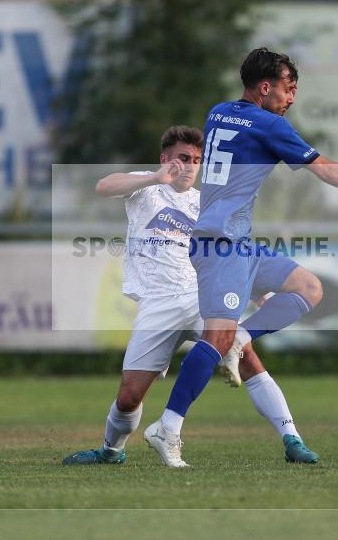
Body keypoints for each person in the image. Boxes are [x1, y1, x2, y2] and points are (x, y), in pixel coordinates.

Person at [144, 48, 338, 467]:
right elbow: (326, 170)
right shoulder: (269, 124)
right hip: (220, 245)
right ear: (264, 87)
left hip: (238, 242)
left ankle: (243, 340)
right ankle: (167, 427)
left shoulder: (219, 112)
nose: (292, 98)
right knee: (215, 337)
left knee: (309, 287)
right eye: (288, 88)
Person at [63, 125, 319, 466]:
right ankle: (111, 451)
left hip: (201, 296)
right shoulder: (147, 187)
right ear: (165, 159)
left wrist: (256, 290)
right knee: (128, 397)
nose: (189, 166)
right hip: (157, 302)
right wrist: (154, 178)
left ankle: (292, 439)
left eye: (197, 160)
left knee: (247, 358)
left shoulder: (207, 202)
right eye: (183, 158)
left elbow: (228, 255)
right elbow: (103, 186)